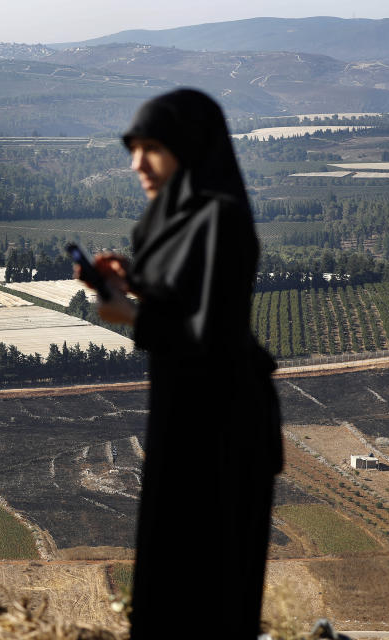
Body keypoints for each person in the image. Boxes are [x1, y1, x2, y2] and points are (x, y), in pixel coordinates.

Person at [78, 89, 282, 639]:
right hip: (185, 417)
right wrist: (133, 278)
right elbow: (186, 290)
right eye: (133, 149)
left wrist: (130, 316)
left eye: (152, 149)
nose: (137, 163)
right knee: (170, 575)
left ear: (188, 147)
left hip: (224, 424)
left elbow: (213, 333)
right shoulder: (176, 215)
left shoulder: (222, 218)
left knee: (211, 583)